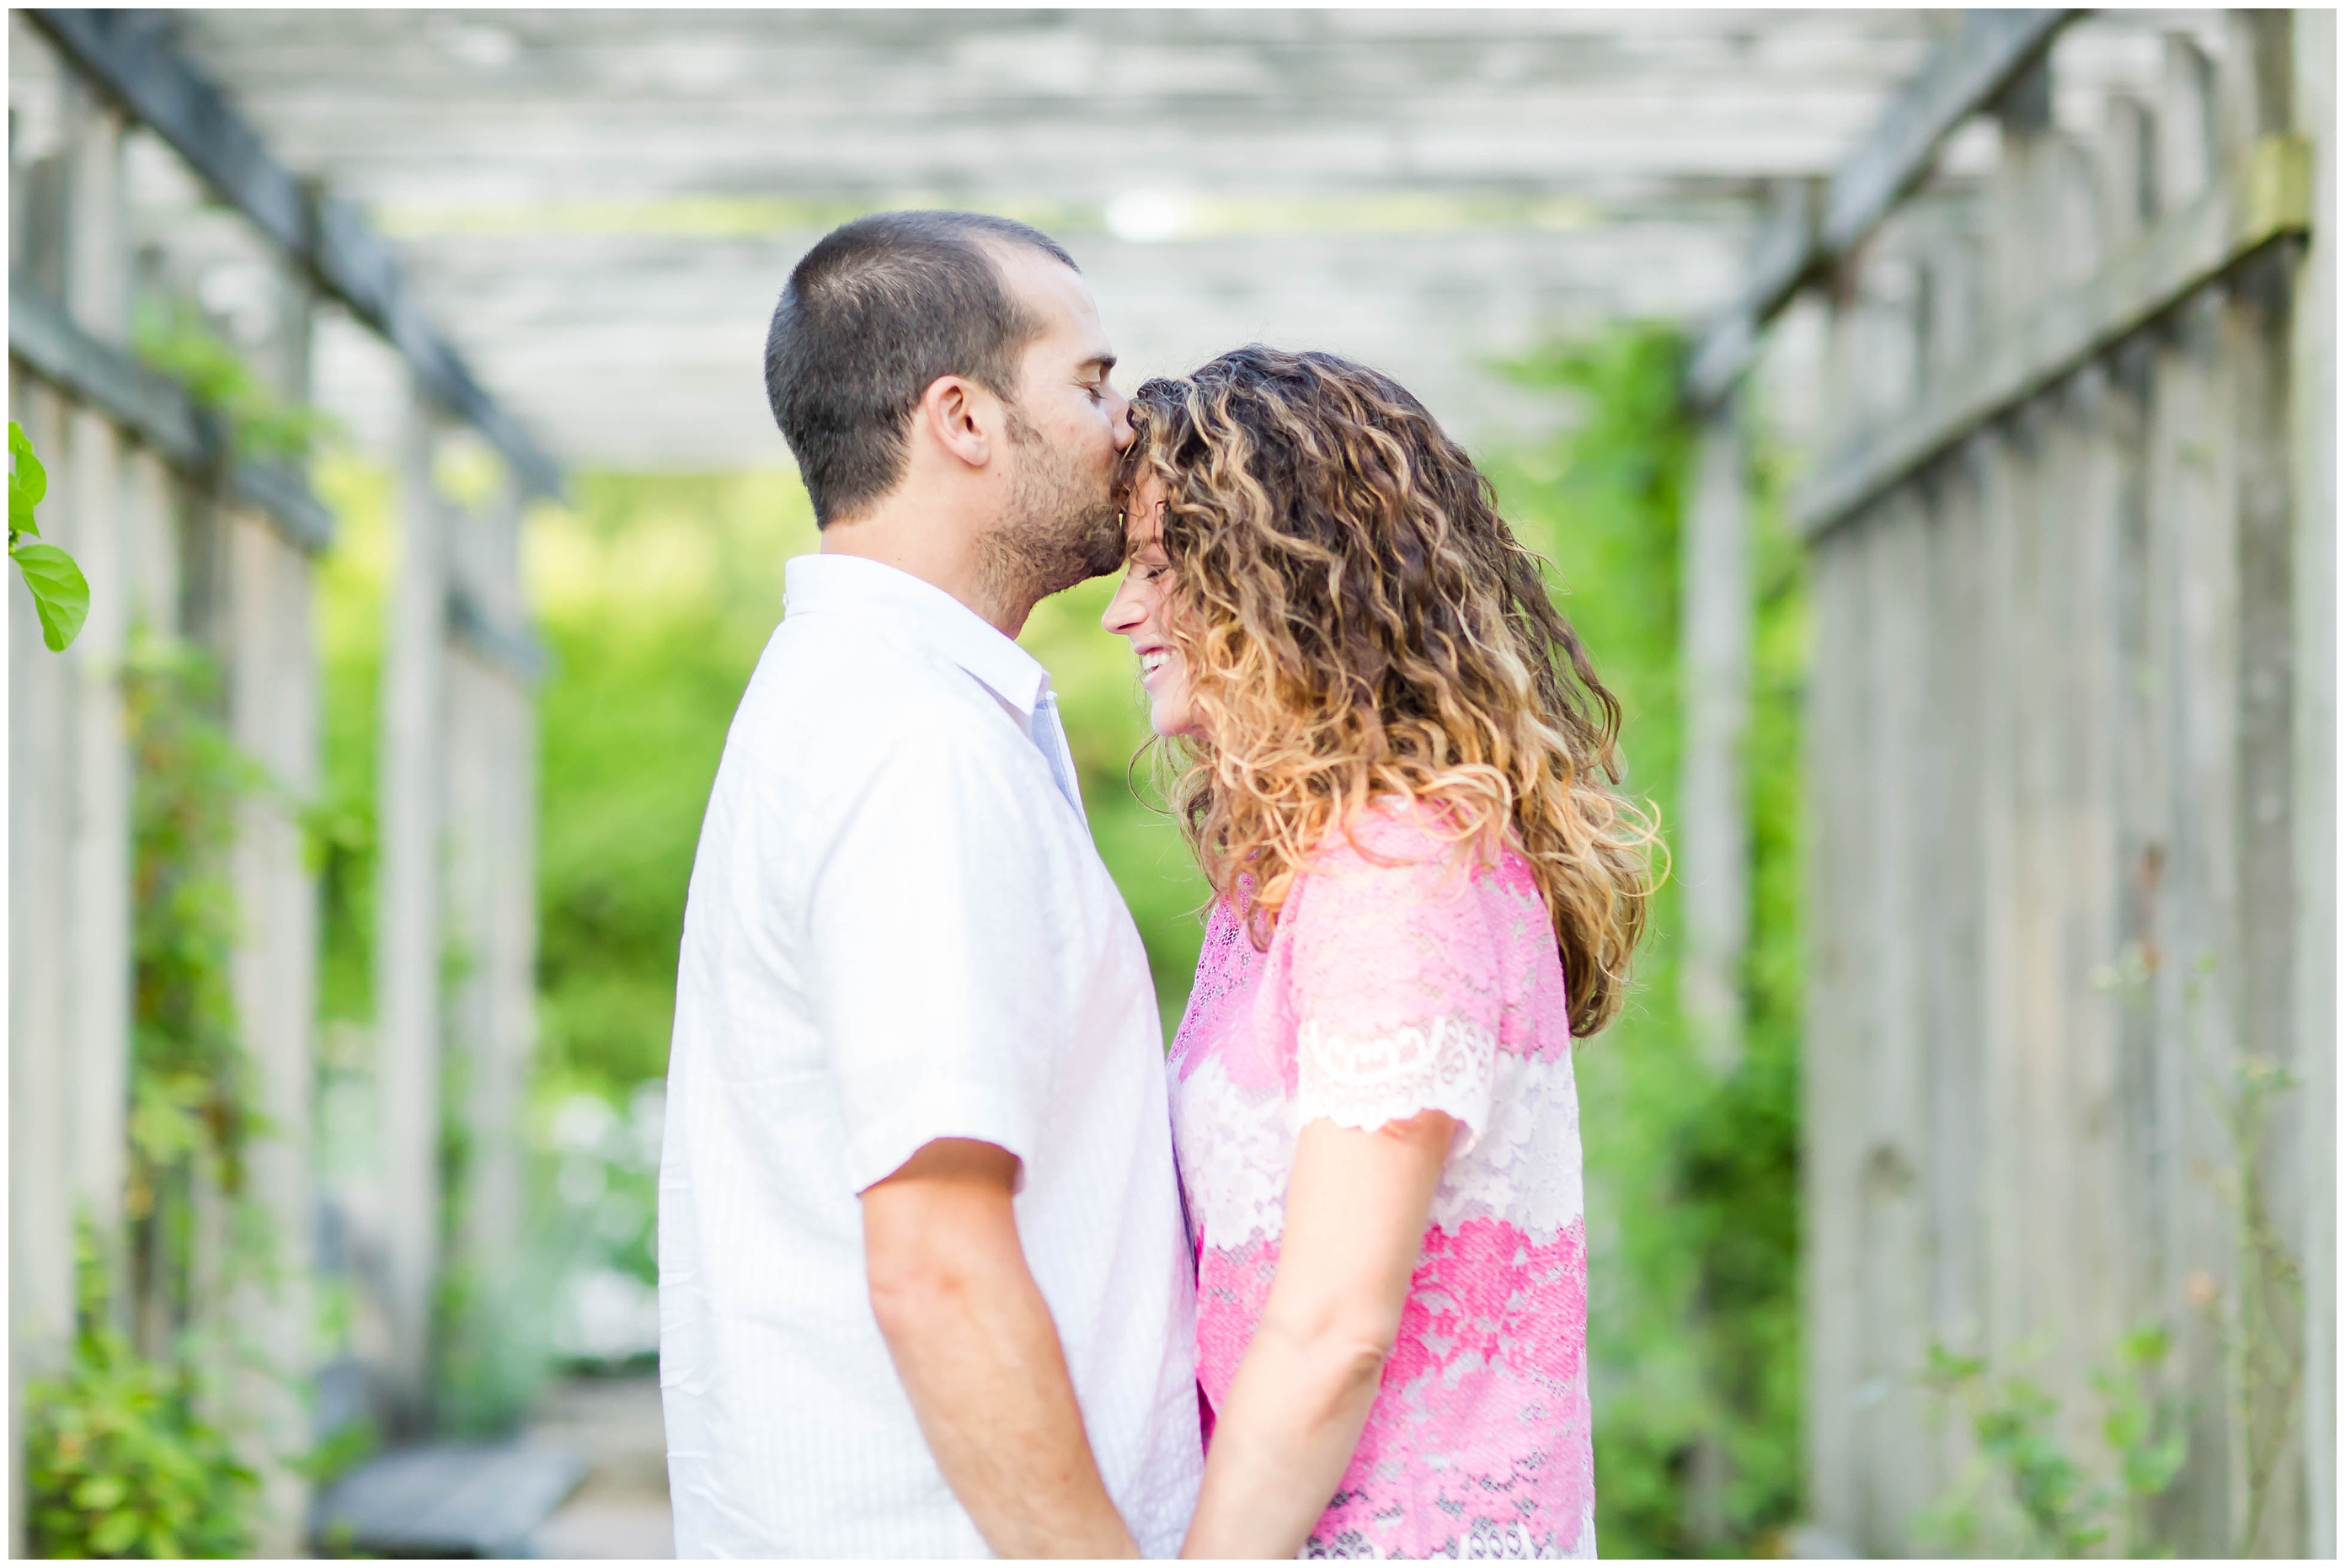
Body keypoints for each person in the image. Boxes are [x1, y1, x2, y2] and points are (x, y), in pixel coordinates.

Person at [659, 211, 1203, 1559]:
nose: (1128, 425)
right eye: (1089, 382)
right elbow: (937, 1261)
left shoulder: (868, 704)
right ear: (962, 417)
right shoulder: (912, 743)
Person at [1103, 346, 1657, 1560]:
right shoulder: (1297, 873)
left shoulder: (1394, 872)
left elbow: (1334, 1325)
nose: (1120, 609)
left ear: (1280, 580)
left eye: (1157, 569)